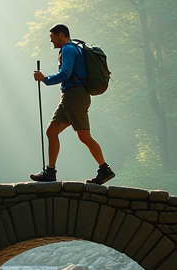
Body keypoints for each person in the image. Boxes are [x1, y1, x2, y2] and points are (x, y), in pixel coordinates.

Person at [30, 24, 115, 185]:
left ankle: (104, 169)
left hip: (74, 96)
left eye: (52, 37)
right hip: (72, 96)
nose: (51, 41)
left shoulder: (68, 49)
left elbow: (66, 73)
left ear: (61, 34)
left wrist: (45, 79)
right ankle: (50, 172)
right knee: (52, 131)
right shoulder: (75, 48)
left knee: (84, 136)